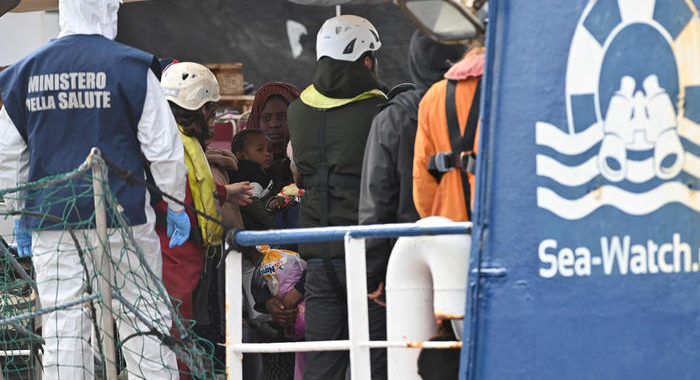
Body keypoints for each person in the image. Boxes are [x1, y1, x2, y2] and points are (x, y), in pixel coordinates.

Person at [0, 0, 185, 378]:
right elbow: (165, 150)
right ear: (108, 10)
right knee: (143, 320)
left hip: (53, 223)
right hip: (125, 218)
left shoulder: (24, 72)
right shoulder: (132, 67)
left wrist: (18, 215)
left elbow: (7, 156)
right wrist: (176, 204)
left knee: (62, 326)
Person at [359, 30, 467, 375]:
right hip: (473, 247)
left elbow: (376, 199)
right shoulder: (486, 102)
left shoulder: (393, 117)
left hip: (406, 265)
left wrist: (373, 271)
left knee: (410, 361)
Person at [287, 14, 387, 380]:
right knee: (376, 361)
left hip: (318, 257)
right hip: (367, 257)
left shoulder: (296, 111)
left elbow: (297, 172)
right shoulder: (380, 111)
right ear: (365, 61)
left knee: (322, 367)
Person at [158, 62, 254, 378]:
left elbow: (196, 186)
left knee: (195, 344)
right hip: (176, 262)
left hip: (197, 261)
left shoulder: (183, 146)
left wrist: (225, 192)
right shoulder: (165, 149)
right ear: (194, 112)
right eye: (210, 112)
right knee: (181, 346)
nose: (214, 120)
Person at [412, 47, 486, 222]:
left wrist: (435, 219)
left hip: (449, 227)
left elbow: (422, 179)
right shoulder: (509, 92)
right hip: (498, 227)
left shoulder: (432, 97)